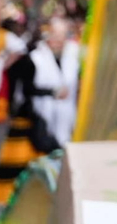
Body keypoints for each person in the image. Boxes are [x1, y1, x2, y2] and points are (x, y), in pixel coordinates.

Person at [28, 17, 79, 149]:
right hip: (42, 121)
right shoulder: (35, 58)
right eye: (55, 35)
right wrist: (52, 92)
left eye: (63, 35)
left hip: (68, 120)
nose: (59, 40)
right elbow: (27, 89)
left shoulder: (73, 57)